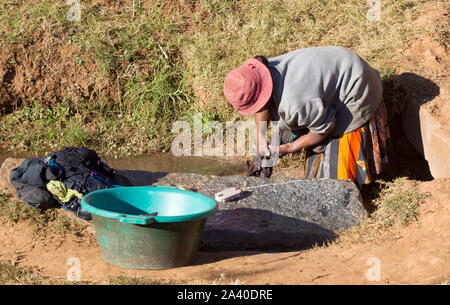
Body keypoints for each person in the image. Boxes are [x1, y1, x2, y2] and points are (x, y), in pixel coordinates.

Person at [223, 46, 390, 187]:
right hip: (340, 67)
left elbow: (325, 128)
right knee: (285, 132)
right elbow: (262, 106)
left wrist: (289, 148)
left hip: (360, 90)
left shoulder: (295, 103)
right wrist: (260, 136)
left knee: (328, 186)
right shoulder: (263, 72)